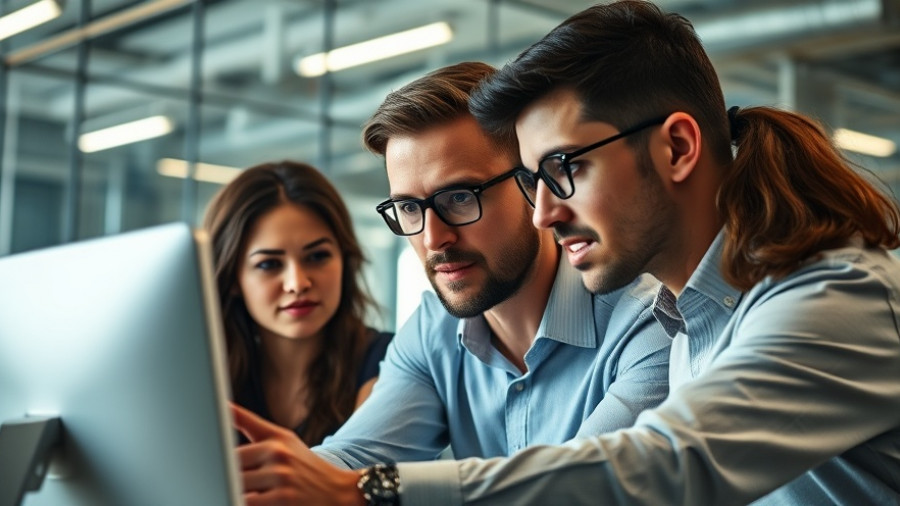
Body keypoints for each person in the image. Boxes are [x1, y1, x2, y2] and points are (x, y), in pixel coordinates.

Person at [235, 1, 900, 505]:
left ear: (676, 147)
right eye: (534, 179)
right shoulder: (691, 315)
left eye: (564, 168)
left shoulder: (831, 294)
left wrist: (370, 491)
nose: (545, 211)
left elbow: (664, 463)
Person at [232, 61, 673, 503]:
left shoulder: (651, 321)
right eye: (408, 208)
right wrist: (267, 480)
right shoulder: (432, 331)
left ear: (532, 184)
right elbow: (354, 456)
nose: (432, 238)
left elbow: (579, 487)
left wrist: (367, 489)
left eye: (460, 197)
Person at [203, 160, 392, 447]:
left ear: (345, 260)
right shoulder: (207, 374)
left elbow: (364, 475)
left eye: (317, 256)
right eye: (269, 264)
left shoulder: (390, 362)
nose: (297, 282)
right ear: (232, 280)